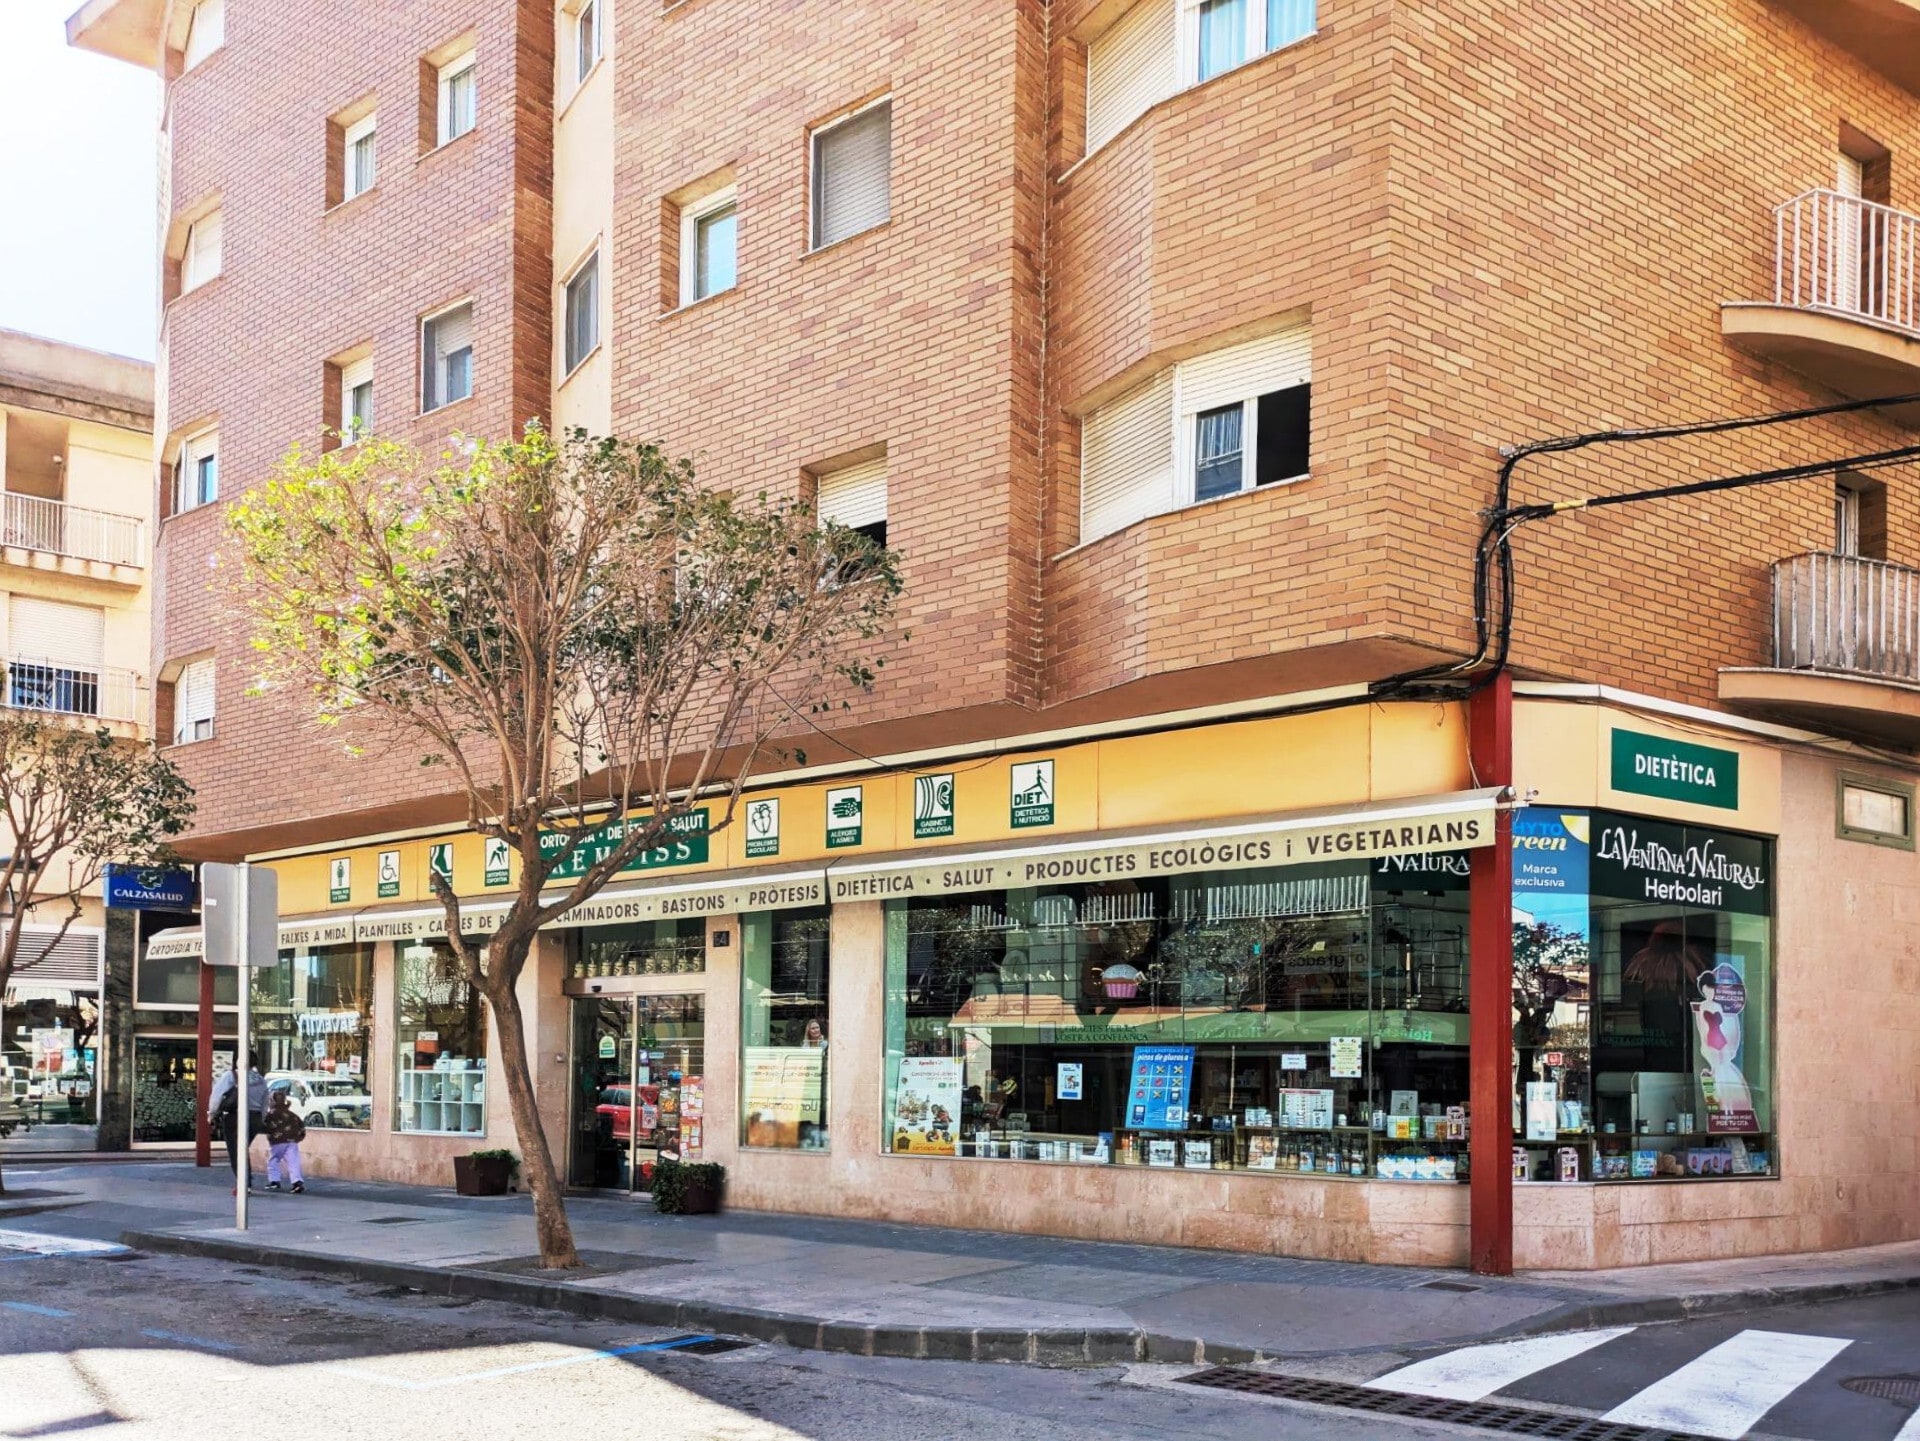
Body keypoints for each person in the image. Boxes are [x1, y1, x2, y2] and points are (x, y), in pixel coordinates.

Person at [208, 1052, 268, 1191]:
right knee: (242, 1149)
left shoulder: (231, 1076)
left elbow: (216, 1096)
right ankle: (245, 1181)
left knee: (236, 1151)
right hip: (255, 1118)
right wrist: (261, 1119)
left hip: (235, 1117)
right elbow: (265, 1103)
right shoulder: (261, 1080)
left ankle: (244, 1184)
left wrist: (211, 1113)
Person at [262, 1088, 307, 1193]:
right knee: (293, 1161)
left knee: (273, 1160)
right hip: (292, 1141)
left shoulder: (271, 1115)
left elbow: (265, 1126)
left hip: (277, 1141)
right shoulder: (292, 1115)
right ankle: (297, 1182)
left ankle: (274, 1181)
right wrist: (298, 1138)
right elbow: (301, 1127)